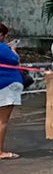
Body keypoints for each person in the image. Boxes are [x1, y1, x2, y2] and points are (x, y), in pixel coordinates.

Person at [0, 23, 22, 160]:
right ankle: (0, 151)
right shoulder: (2, 47)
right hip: (7, 85)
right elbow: (15, 60)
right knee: (2, 121)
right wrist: (13, 49)